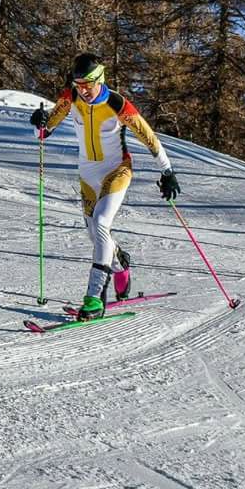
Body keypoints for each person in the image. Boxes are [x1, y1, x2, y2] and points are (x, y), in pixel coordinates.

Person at [29, 54, 180, 320]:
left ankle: (94, 298)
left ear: (100, 78)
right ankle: (120, 261)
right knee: (96, 235)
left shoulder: (116, 103)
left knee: (100, 223)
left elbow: (148, 137)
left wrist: (166, 171)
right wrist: (38, 122)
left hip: (117, 171)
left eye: (87, 83)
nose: (83, 89)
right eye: (78, 84)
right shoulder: (70, 98)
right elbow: (43, 133)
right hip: (87, 175)